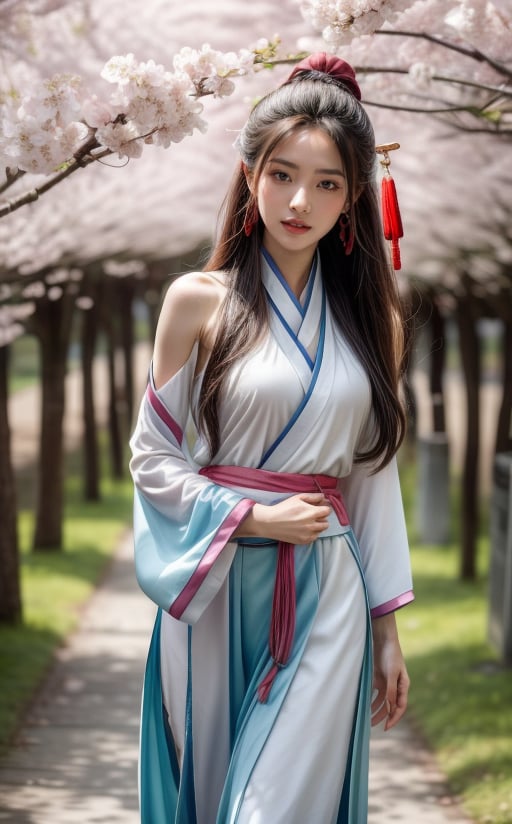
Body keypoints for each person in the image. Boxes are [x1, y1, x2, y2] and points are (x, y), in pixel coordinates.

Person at [129, 52, 414, 824]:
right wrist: (248, 516)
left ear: (354, 198)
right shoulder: (196, 302)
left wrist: (387, 631)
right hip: (215, 589)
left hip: (328, 591)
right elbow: (152, 456)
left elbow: (371, 479)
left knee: (273, 809)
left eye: (327, 184)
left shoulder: (374, 325)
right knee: (217, 795)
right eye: (282, 174)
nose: (300, 201)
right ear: (250, 174)